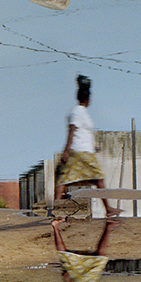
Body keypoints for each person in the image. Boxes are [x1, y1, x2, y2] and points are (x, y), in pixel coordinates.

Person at [53, 74, 119, 218]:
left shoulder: (81, 112)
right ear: (87, 99)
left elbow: (83, 132)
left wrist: (92, 147)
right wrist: (66, 150)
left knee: (65, 179)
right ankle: (108, 209)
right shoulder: (77, 111)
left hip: (83, 151)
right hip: (80, 152)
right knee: (98, 179)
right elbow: (73, 130)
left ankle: (55, 210)